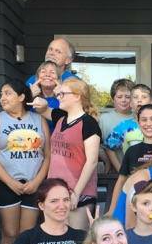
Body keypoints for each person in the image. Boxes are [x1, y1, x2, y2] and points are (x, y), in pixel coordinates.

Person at [0, 80, 50, 244]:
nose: (2, 98)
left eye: (7, 93)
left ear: (21, 97)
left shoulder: (39, 120)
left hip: (32, 185)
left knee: (27, 235)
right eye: (1, 94)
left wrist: (37, 182)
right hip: (5, 184)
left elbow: (48, 155)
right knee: (10, 234)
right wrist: (10, 182)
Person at [31, 78, 101, 231]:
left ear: (77, 96)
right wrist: (40, 101)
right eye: (59, 94)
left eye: (62, 94)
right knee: (56, 237)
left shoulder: (89, 123)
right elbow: (42, 109)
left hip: (79, 192)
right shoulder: (60, 117)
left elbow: (92, 161)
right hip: (55, 191)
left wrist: (76, 193)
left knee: (77, 240)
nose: (59, 97)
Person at [106, 104, 152, 215]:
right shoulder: (132, 151)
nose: (148, 124)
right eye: (144, 120)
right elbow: (121, 181)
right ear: (138, 123)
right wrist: (111, 210)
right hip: (134, 207)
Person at [105, 84, 152, 154]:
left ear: (151, 102)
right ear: (131, 103)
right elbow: (108, 147)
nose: (139, 100)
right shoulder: (124, 126)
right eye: (135, 97)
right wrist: (119, 162)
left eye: (144, 97)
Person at [100, 78, 134, 173]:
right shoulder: (103, 119)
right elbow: (100, 147)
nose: (123, 100)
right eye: (119, 97)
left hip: (137, 172)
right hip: (113, 172)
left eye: (127, 97)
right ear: (113, 98)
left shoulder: (139, 118)